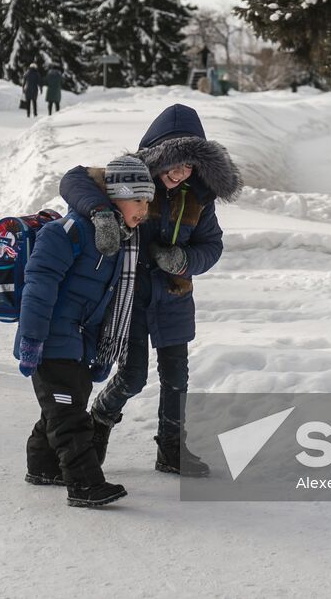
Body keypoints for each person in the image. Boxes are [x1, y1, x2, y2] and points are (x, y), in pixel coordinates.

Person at [59, 103, 241, 476]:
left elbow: (212, 246)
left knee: (177, 378)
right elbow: (73, 179)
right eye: (174, 161)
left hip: (174, 297)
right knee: (133, 375)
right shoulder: (128, 180)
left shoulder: (198, 200)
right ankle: (100, 421)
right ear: (157, 158)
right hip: (130, 298)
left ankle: (171, 449)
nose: (180, 172)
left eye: (189, 164)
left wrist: (182, 261)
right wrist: (101, 213)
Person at [17, 154, 156, 508]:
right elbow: (38, 285)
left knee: (62, 407)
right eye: (137, 199)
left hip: (76, 343)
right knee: (70, 417)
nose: (144, 209)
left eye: (147, 201)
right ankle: (84, 484)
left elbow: (101, 306)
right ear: (115, 197)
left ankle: (42, 465)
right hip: (51, 339)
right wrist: (32, 339)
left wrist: (97, 351)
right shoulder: (68, 232)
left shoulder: (120, 244)